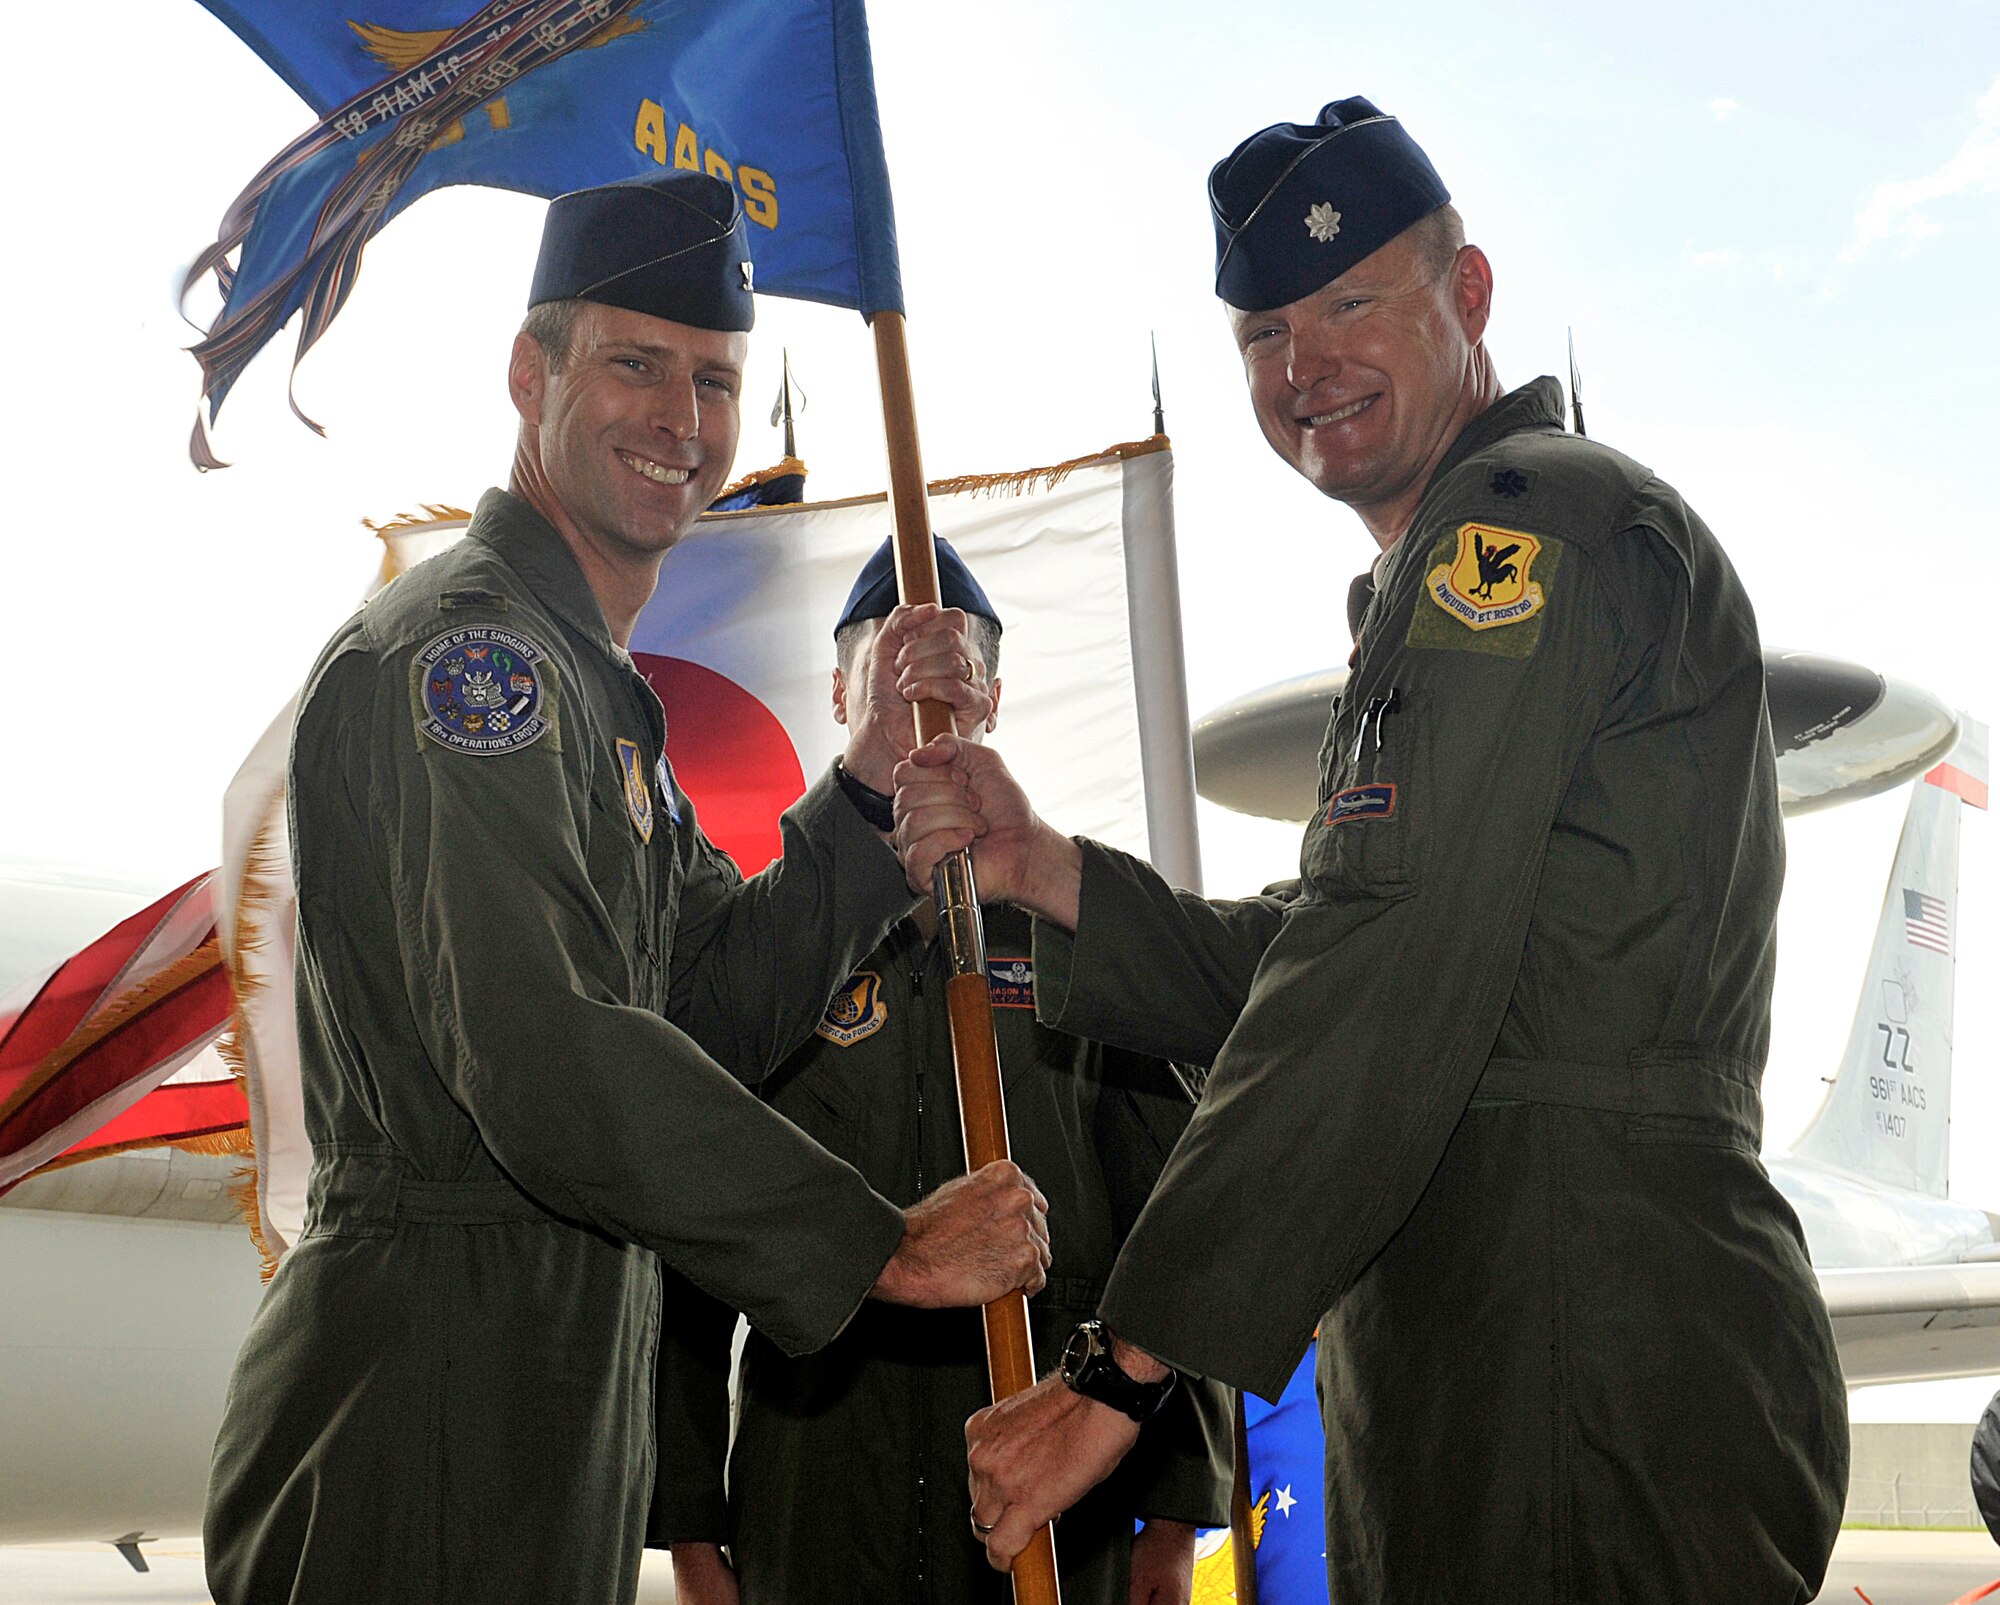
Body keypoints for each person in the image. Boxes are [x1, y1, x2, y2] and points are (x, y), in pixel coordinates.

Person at [897, 98, 1850, 1601]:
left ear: (1466, 295)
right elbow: (1352, 937)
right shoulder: (1471, 558)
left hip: (1571, 1344)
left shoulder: (1517, 534)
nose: (1305, 367)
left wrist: (1121, 1370)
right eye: (1264, 334)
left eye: (1351, 303)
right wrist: (1052, 869)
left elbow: (1379, 966)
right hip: (1515, 1333)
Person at [202, 171, 1053, 1605]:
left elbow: (704, 1005)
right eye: (636, 365)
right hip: (430, 1383)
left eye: (715, 380)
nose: (681, 420)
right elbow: (540, 1044)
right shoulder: (476, 666)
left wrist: (858, 790)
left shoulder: (595, 699)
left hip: (539, 1375)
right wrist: (876, 1247)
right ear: (531, 374)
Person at [656, 538, 1232, 1605]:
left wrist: (1173, 1512)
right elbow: (689, 1245)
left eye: (950, 670)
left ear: (993, 700)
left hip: (1053, 1483)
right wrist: (691, 1529)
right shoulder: (766, 951)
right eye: (886, 667)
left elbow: (1173, 1215)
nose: (919, 700)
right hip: (813, 1479)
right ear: (838, 692)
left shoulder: (1084, 931)